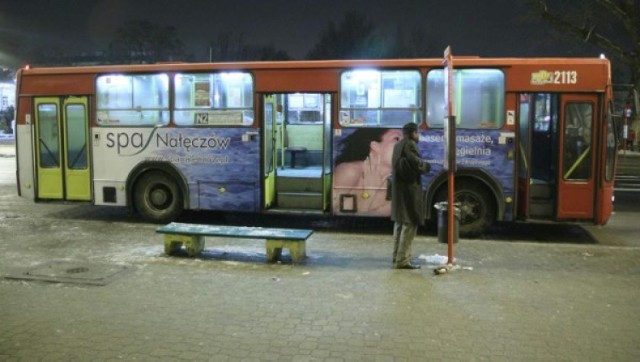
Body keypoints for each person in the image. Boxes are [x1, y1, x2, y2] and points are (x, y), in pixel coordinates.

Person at [334, 128, 403, 214]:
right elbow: (331, 219)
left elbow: (365, 225)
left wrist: (370, 192)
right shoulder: (350, 171)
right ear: (375, 146)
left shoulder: (395, 194)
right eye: (396, 139)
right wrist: (369, 193)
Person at [391, 122, 430, 269]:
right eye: (418, 133)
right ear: (413, 133)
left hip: (399, 190)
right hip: (409, 190)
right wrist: (426, 166)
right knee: (410, 223)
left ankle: (397, 257)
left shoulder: (398, 145)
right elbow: (416, 163)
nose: (418, 135)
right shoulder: (411, 145)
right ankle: (403, 260)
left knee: (400, 223)